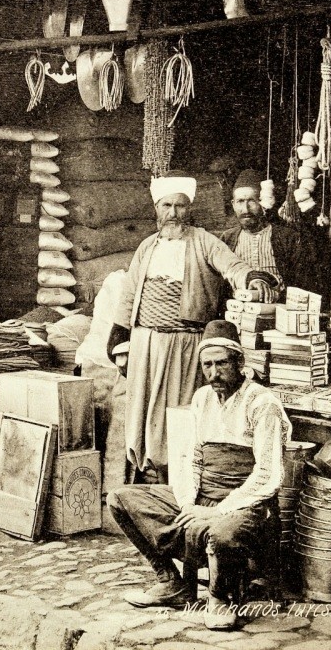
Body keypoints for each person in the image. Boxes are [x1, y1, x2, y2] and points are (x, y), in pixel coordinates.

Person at [107, 320, 290, 630]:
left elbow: (268, 474)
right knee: (120, 499)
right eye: (207, 365)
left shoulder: (263, 403)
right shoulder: (202, 398)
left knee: (222, 533)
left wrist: (217, 510)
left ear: (239, 363)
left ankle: (220, 597)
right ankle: (170, 582)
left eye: (221, 363)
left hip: (246, 503)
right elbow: (192, 459)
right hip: (205, 495)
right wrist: (189, 504)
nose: (214, 373)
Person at [108, 172, 254, 482]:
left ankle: (177, 479)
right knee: (144, 415)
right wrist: (120, 337)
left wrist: (249, 278)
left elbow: (231, 265)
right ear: (156, 209)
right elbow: (129, 295)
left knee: (179, 414)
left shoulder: (203, 241)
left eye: (180, 206)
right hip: (146, 344)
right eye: (167, 206)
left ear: (189, 209)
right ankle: (148, 477)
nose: (173, 213)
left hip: (184, 345)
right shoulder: (146, 247)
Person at [217, 169, 319, 302]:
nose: (246, 209)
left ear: (264, 201)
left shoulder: (287, 237)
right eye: (240, 201)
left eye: (252, 201)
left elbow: (303, 285)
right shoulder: (227, 239)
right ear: (233, 204)